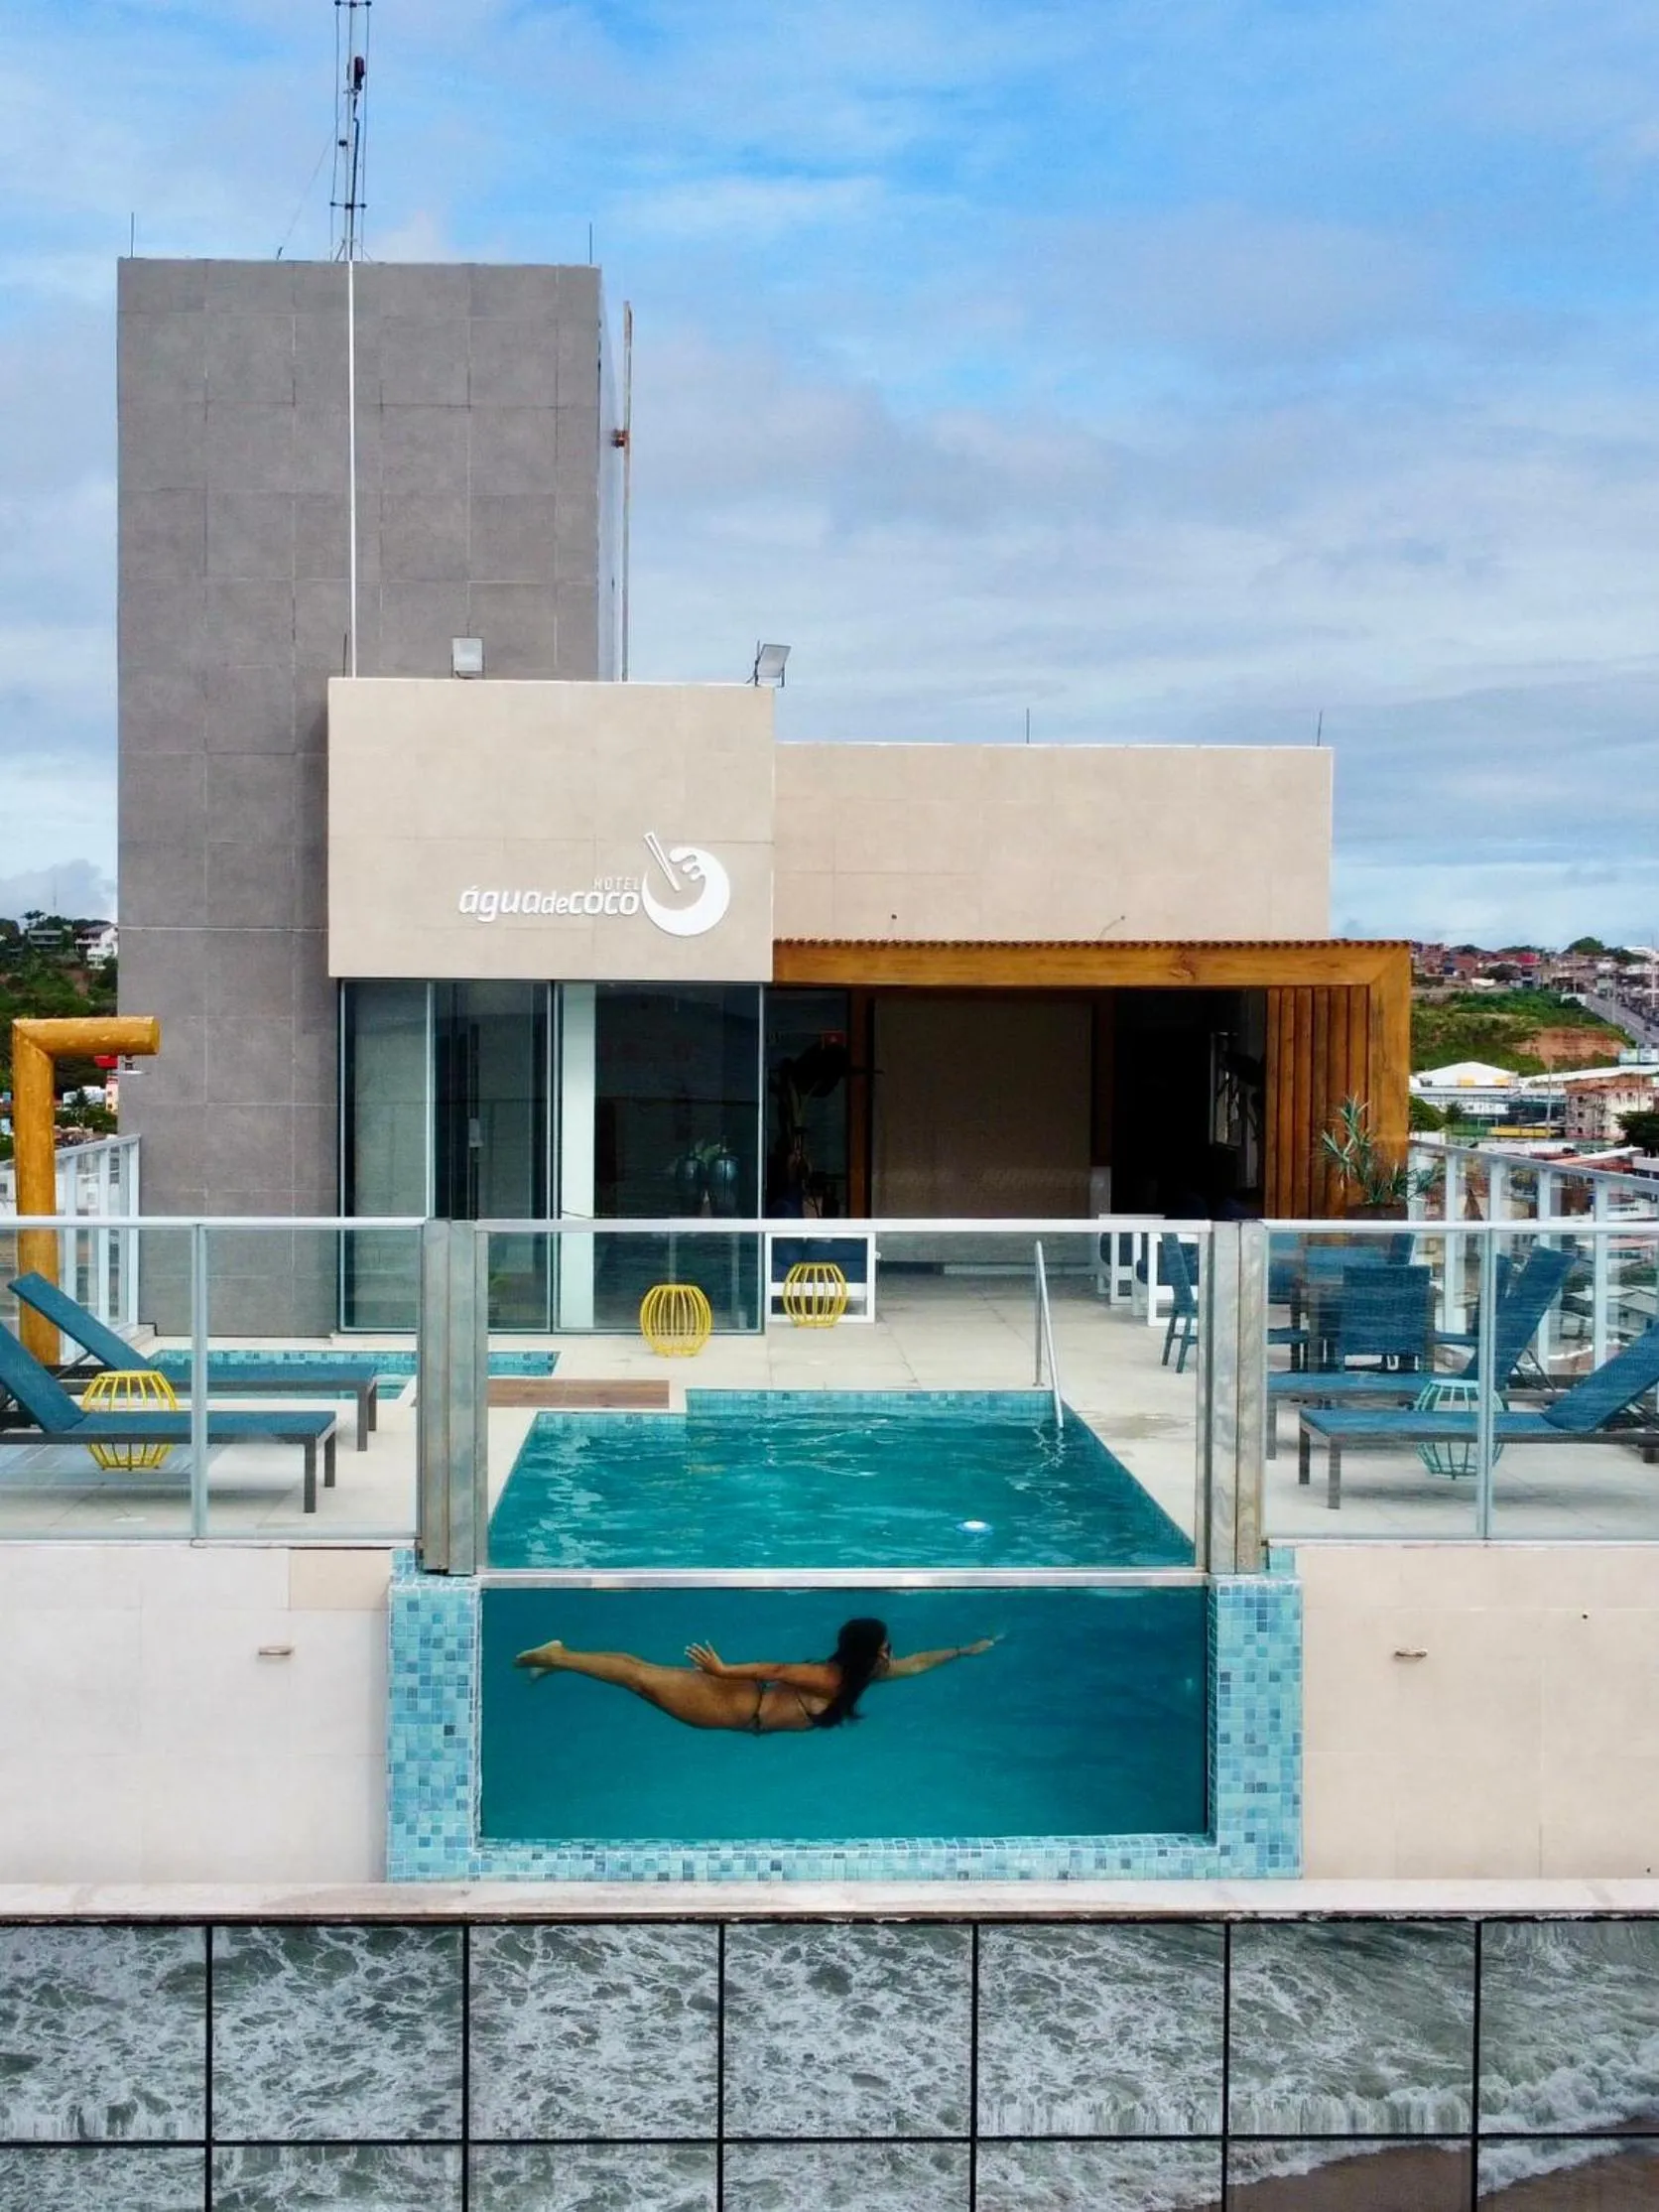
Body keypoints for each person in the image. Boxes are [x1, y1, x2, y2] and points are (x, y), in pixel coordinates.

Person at [512, 1616, 999, 1735]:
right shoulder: (830, 1680)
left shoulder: (861, 1676)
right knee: (640, 1678)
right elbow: (777, 1669)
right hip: (736, 1704)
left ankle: (558, 1660)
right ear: (870, 1652)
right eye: (887, 1646)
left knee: (643, 1670)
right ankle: (557, 1657)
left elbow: (915, 1664)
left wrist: (961, 1650)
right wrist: (723, 1671)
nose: (895, 1653)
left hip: (748, 1701)